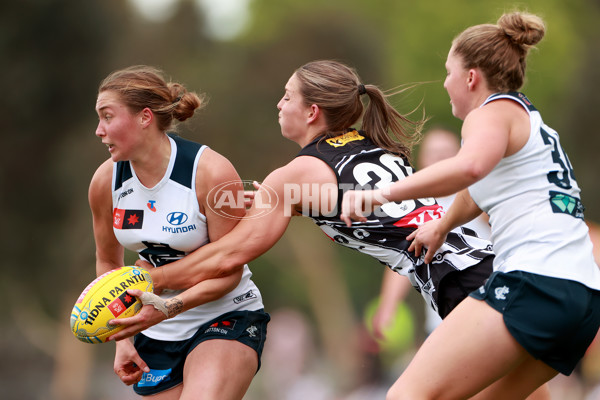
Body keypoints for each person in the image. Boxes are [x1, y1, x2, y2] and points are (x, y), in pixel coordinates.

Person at [109, 60, 494, 344]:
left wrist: (150, 279)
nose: (279, 104)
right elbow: (340, 198)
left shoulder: (295, 174)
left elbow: (228, 256)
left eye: (287, 96)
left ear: (312, 112)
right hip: (492, 266)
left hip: (460, 284)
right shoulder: (376, 146)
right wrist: (275, 200)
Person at [341, 12, 600, 399]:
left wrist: (382, 193)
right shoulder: (530, 120)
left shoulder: (489, 113)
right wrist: (443, 225)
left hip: (534, 284)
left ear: (471, 77)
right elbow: (477, 188)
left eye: (449, 72)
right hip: (583, 299)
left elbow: (469, 168)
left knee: (404, 396)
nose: (445, 82)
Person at [89, 65, 269, 399]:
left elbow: (228, 270)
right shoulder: (105, 182)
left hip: (226, 313)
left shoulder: (210, 171)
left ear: (145, 117)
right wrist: (122, 339)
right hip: (154, 326)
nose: (99, 130)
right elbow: (108, 266)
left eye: (107, 117)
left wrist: (170, 306)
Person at [371, 128, 491, 340]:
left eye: (447, 152)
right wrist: (388, 306)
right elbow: (404, 258)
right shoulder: (414, 208)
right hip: (443, 319)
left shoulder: (476, 195)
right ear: (422, 160)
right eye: (434, 153)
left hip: (489, 302)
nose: (440, 159)